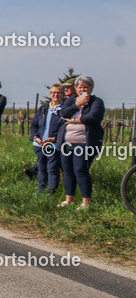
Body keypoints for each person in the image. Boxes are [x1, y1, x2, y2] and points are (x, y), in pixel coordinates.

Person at [58, 76, 104, 209]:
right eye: (80, 87)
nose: (83, 89)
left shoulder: (96, 101)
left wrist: (74, 121)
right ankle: (69, 199)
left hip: (84, 143)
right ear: (76, 89)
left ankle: (86, 202)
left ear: (91, 88)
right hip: (66, 142)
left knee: (80, 170)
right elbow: (63, 112)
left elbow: (93, 117)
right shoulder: (70, 101)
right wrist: (78, 104)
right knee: (67, 171)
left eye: (86, 87)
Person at [30, 84, 65, 194]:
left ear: (63, 94)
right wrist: (35, 137)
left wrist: (55, 139)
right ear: (50, 94)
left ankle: (51, 192)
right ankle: (40, 191)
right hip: (40, 145)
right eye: (53, 92)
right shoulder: (43, 109)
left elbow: (65, 127)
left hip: (54, 145)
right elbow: (34, 125)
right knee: (41, 168)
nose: (56, 95)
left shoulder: (65, 110)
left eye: (59, 92)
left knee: (52, 169)